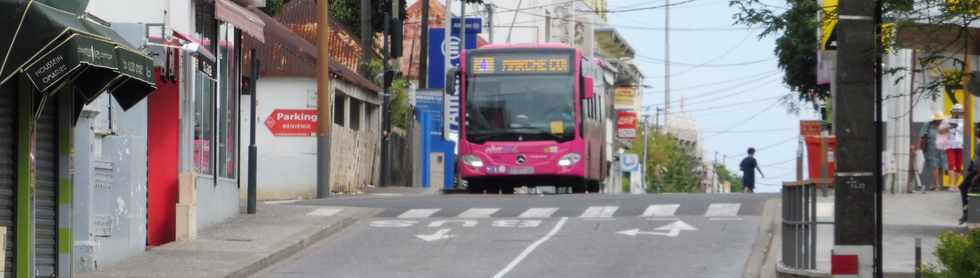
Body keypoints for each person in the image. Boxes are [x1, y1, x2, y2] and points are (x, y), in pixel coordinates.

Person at [919, 112, 948, 191]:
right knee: (934, 166)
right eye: (938, 119)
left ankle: (936, 184)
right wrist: (920, 147)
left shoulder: (944, 125)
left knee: (941, 166)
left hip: (942, 148)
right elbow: (922, 136)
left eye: (941, 119)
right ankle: (937, 185)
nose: (940, 120)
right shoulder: (928, 125)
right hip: (931, 148)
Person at [958, 124, 980, 225]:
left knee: (967, 188)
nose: (974, 132)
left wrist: (977, 176)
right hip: (974, 171)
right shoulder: (978, 143)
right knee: (964, 187)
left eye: (976, 129)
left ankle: (968, 213)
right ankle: (967, 212)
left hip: (977, 173)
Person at [940, 104, 965, 190]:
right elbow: (941, 131)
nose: (958, 113)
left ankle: (956, 185)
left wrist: (957, 126)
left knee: (958, 166)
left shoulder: (964, 121)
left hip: (960, 145)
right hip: (949, 145)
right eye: (956, 111)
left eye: (960, 111)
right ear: (952, 111)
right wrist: (949, 126)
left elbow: (966, 132)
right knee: (951, 164)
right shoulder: (946, 120)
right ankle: (951, 185)